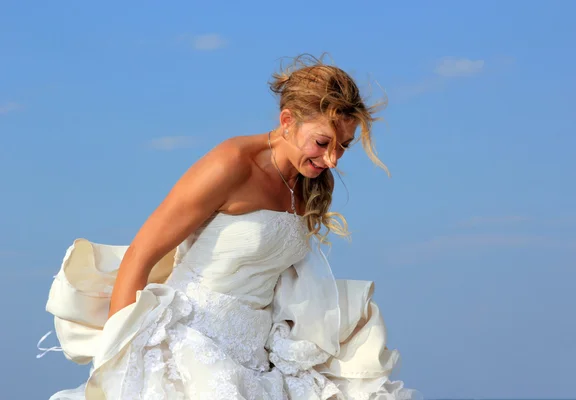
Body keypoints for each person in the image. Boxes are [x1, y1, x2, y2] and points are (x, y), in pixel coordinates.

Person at [39, 54, 422, 400]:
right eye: (323, 142)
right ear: (287, 121)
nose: (333, 159)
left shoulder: (315, 183)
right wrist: (116, 361)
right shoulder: (231, 165)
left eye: (343, 146)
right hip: (190, 341)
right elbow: (140, 255)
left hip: (257, 355)